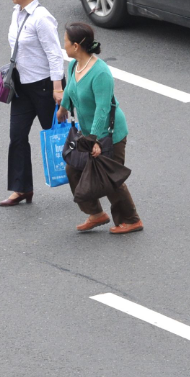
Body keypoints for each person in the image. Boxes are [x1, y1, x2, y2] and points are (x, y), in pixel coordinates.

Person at [56, 22, 143, 234]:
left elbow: (102, 110)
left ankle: (131, 220)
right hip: (89, 133)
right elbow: (70, 88)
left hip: (109, 133)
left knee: (109, 176)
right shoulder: (74, 64)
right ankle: (95, 213)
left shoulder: (100, 73)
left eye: (65, 41)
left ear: (76, 45)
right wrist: (64, 107)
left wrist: (94, 139)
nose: (63, 44)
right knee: (73, 169)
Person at [0, 0, 65, 207]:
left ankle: (87, 181)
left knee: (61, 137)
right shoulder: (16, 12)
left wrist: (58, 89)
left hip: (45, 88)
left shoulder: (42, 18)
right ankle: (21, 189)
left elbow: (54, 55)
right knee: (17, 137)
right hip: (22, 88)